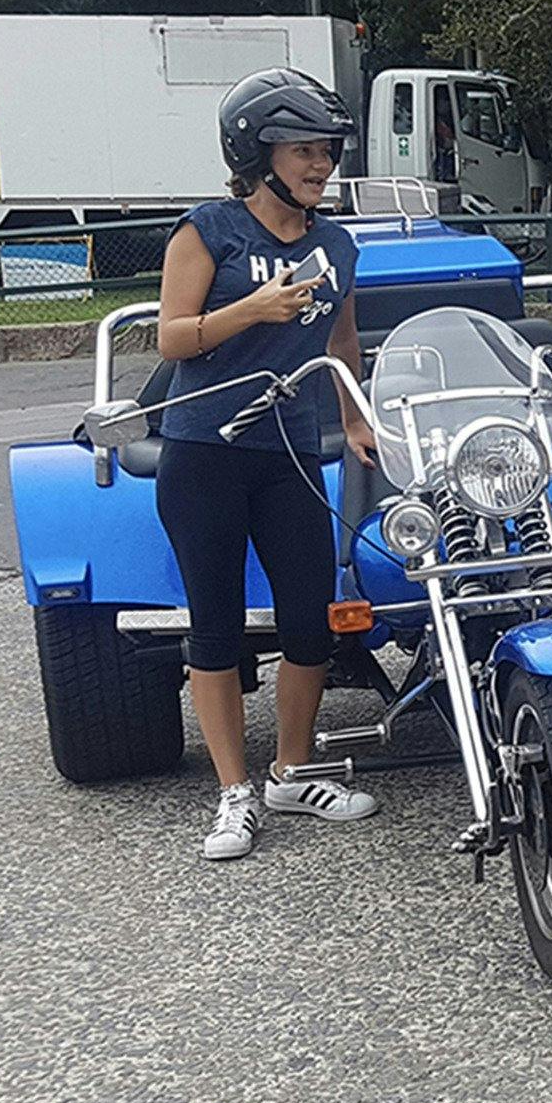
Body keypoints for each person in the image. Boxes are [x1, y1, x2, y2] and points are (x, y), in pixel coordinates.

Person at [152, 67, 382, 860]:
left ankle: (291, 769)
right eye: (304, 151)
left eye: (327, 151)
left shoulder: (335, 244)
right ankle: (233, 793)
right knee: (213, 627)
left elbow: (340, 339)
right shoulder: (209, 230)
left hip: (287, 453)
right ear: (258, 152)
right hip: (204, 454)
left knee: (310, 618)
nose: (321, 166)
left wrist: (356, 418)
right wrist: (252, 308)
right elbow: (173, 338)